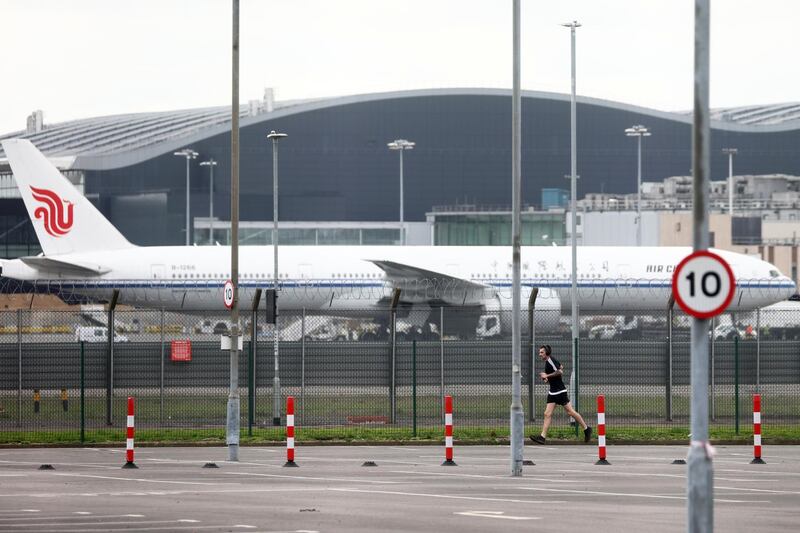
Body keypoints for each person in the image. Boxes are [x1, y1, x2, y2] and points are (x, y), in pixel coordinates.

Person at [531, 344, 591, 444]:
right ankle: (542, 437)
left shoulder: (550, 361)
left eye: (541, 352)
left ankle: (586, 428)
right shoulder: (549, 361)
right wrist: (547, 378)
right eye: (539, 352)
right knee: (547, 414)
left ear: (547, 353)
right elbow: (560, 366)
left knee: (570, 412)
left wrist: (547, 375)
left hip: (560, 391)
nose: (539, 354)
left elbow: (560, 371)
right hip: (553, 391)